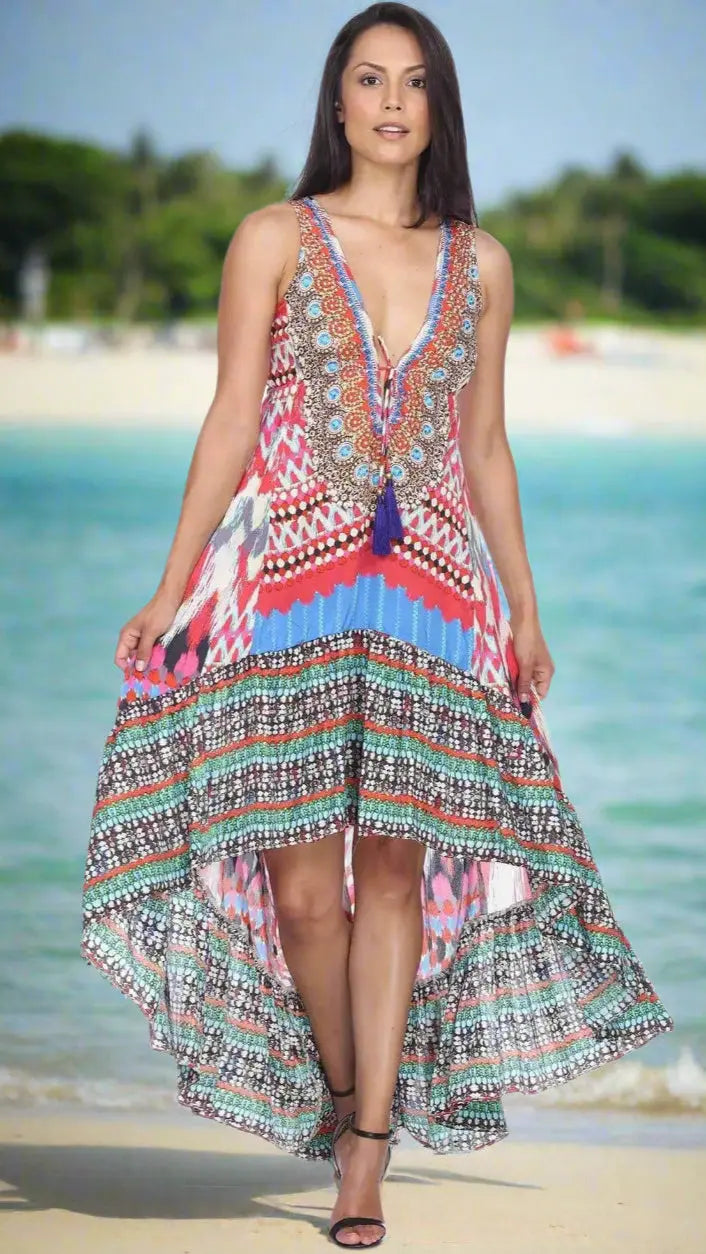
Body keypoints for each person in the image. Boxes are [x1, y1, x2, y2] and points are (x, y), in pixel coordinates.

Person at [81, 3, 674, 1248]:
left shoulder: (484, 261)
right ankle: (350, 1095)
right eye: (368, 79)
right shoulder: (273, 238)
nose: (391, 102)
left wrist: (523, 604)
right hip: (283, 592)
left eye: (413, 82)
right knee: (304, 890)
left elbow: (486, 448)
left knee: (394, 867)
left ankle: (366, 1155)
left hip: (433, 598)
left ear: (436, 107)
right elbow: (232, 415)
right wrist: (169, 580)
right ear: (335, 101)